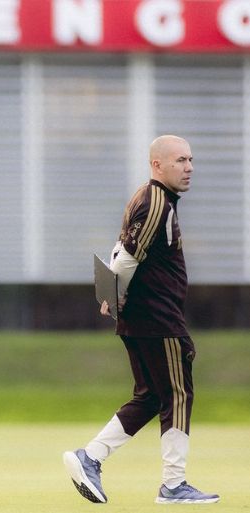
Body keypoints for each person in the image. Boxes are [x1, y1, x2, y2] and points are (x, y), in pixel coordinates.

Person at [62, 135, 219, 504]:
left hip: (141, 318)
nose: (189, 167)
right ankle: (174, 484)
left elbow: (122, 248)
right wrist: (113, 291)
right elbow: (129, 255)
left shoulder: (146, 198)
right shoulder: (157, 203)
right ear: (157, 165)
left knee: (150, 397)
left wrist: (113, 293)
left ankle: (91, 457)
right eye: (180, 160)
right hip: (158, 318)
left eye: (191, 160)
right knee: (178, 394)